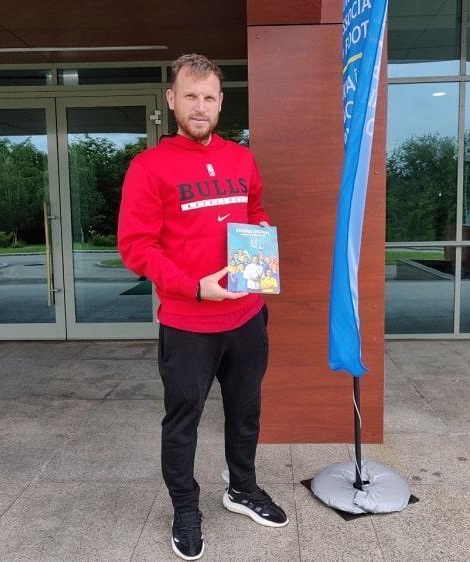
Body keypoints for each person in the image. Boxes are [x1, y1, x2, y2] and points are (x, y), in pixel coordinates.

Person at [117, 53, 287, 561]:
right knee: (183, 421)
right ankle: (185, 508)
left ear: (220, 101)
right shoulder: (148, 167)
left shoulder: (241, 159)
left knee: (246, 411)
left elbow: (254, 209)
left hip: (246, 316)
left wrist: (260, 235)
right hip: (188, 322)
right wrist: (193, 287)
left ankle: (242, 489)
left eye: (209, 97)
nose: (199, 106)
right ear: (172, 100)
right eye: (190, 96)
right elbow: (136, 247)